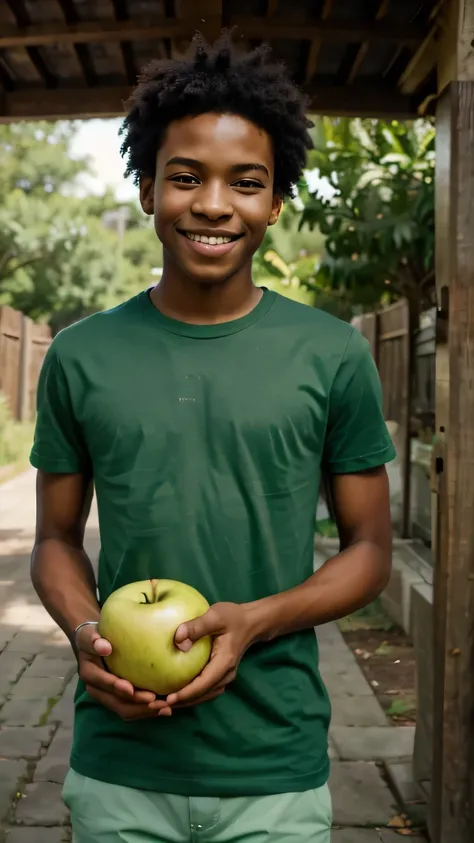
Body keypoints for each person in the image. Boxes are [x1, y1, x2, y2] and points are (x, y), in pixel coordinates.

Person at [30, 32, 395, 843]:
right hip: (120, 764)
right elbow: (54, 538)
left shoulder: (332, 356)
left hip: (274, 764)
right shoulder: (80, 355)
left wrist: (258, 619)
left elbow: (369, 548)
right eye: (186, 177)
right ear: (147, 188)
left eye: (247, 182)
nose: (214, 203)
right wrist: (86, 629)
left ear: (275, 201)